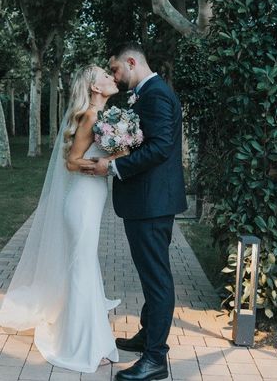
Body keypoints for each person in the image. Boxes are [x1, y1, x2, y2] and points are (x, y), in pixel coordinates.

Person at [0, 64, 123, 373]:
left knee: (85, 268)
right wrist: (104, 162)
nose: (111, 77)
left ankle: (93, 340)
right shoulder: (91, 117)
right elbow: (71, 162)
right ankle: (77, 346)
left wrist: (119, 151)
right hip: (81, 201)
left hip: (91, 198)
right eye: (105, 76)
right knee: (81, 270)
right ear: (95, 88)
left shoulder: (104, 117)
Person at [84, 42, 187, 381]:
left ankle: (156, 358)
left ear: (131, 62)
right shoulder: (148, 94)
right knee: (150, 275)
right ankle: (147, 336)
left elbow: (158, 149)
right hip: (147, 201)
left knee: (157, 279)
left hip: (152, 203)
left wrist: (113, 168)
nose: (114, 75)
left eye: (115, 69)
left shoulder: (155, 95)